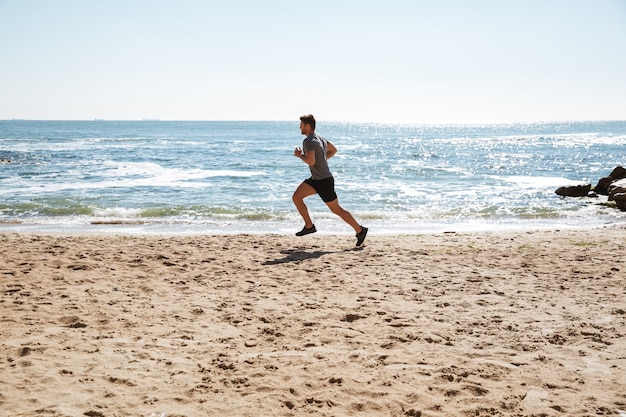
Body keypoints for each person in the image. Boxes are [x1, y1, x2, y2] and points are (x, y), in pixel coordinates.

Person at [292, 114, 368, 246]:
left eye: (301, 125)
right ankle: (309, 226)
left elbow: (310, 161)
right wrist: (321, 161)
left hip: (323, 181)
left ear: (308, 126)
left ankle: (360, 230)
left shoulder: (308, 141)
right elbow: (333, 150)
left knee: (336, 209)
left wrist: (300, 156)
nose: (300, 127)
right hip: (318, 179)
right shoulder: (319, 138)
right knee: (297, 197)